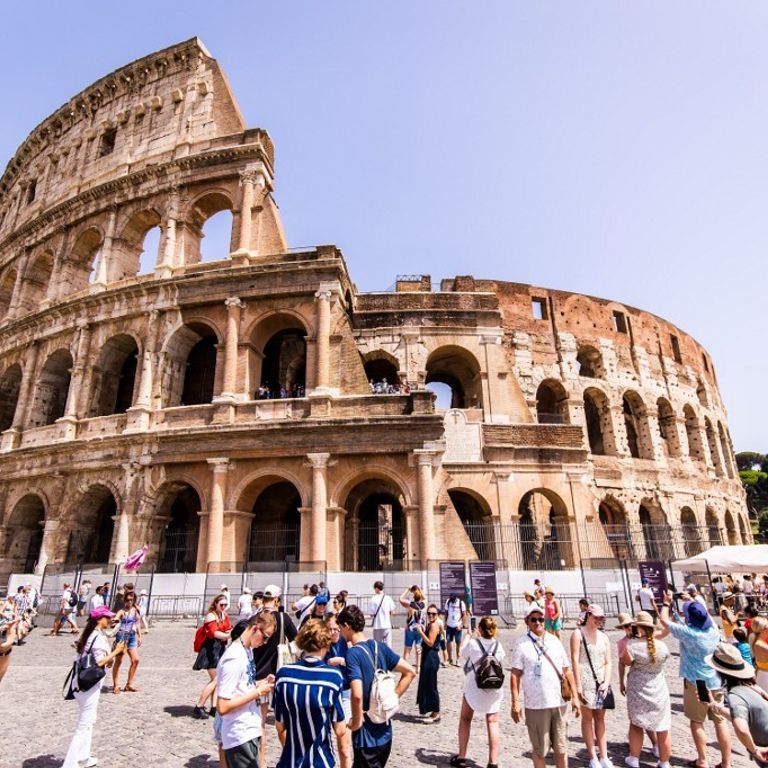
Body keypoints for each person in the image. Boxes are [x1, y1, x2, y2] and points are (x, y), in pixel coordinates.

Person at [658, 595, 732, 768]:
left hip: (697, 682)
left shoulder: (689, 634)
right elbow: (691, 622)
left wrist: (667, 603)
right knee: (720, 722)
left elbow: (663, 620)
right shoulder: (713, 629)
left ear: (690, 618)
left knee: (697, 721)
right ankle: (727, 763)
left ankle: (703, 760)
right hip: (716, 679)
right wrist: (689, 602)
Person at [339, 604, 416, 768]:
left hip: (366, 734)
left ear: (347, 625)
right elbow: (410, 672)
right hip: (386, 731)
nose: (339, 632)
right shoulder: (379, 647)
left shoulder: (353, 653)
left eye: (340, 628)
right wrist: (391, 697)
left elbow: (357, 694)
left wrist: (356, 722)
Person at [274, 619, 351, 768]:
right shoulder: (332, 677)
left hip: (290, 760)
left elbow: (279, 726)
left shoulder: (284, 675)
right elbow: (340, 730)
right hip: (320, 760)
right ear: (326, 643)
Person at [510, 603, 579, 768]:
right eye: (533, 620)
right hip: (536, 704)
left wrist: (575, 697)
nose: (538, 622)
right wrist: (515, 702)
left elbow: (567, 671)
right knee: (540, 750)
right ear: (527, 622)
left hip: (559, 703)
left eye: (541, 619)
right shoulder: (521, 644)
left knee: (561, 749)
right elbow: (515, 675)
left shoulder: (554, 641)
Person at [62, 606, 126, 768]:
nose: (111, 620)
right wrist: (116, 651)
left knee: (90, 720)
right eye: (108, 617)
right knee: (84, 724)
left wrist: (112, 655)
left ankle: (83, 756)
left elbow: (104, 662)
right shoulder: (96, 636)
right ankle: (69, 764)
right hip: (88, 685)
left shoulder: (92, 634)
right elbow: (99, 662)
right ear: (100, 619)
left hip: (86, 683)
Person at [216, 611, 276, 768]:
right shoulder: (234, 657)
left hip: (249, 729)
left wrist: (261, 684)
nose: (265, 642)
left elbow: (242, 688)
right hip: (239, 733)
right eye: (265, 637)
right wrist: (257, 693)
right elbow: (222, 706)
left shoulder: (247, 650)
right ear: (255, 628)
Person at [450, 616, 506, 768]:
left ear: (479, 629)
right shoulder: (499, 646)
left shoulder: (474, 644)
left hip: (474, 687)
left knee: (465, 719)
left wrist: (468, 634)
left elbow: (461, 652)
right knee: (493, 721)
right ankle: (493, 762)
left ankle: (461, 757)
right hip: (493, 687)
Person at [251, 584, 297, 768]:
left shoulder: (256, 617)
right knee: (280, 723)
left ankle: (261, 763)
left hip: (256, 676)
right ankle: (291, 758)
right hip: (275, 677)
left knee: (259, 722)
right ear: (277, 600)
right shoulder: (283, 618)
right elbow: (298, 639)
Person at [621, 611, 672, 768]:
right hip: (658, 686)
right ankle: (664, 762)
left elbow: (627, 662)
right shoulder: (662, 646)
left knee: (636, 723)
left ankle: (634, 758)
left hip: (638, 687)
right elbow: (664, 658)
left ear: (640, 628)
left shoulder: (633, 646)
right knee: (663, 726)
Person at [704, 642, 768, 767]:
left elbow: (742, 729)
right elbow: (741, 715)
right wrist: (716, 707)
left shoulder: (735, 696)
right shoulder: (752, 686)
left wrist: (754, 751)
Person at [569, 604, 613, 768]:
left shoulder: (604, 637)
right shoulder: (577, 634)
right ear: (588, 615)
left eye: (601, 618)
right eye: (596, 618)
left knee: (600, 719)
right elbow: (574, 660)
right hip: (586, 678)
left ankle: (604, 755)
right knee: (587, 719)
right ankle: (593, 757)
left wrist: (607, 682)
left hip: (601, 680)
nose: (599, 621)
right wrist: (578, 685)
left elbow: (608, 662)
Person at [615, 612, 658, 760]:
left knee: (645, 717)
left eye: (630, 626)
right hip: (634, 683)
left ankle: (655, 744)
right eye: (625, 627)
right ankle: (638, 746)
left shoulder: (644, 639)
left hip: (649, 683)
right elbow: (622, 664)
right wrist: (621, 681)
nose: (628, 629)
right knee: (636, 717)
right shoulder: (622, 643)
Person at [193, 593, 232, 719]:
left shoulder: (223, 615)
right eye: (221, 604)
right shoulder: (211, 616)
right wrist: (227, 635)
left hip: (220, 648)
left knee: (218, 679)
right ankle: (199, 706)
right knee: (215, 679)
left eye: (226, 605)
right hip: (210, 649)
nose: (224, 607)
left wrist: (227, 633)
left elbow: (228, 628)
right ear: (215, 604)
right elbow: (213, 633)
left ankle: (214, 707)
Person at [414, 603, 441, 722]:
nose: (430, 615)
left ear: (437, 615)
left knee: (431, 685)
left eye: (433, 614)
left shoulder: (434, 625)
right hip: (428, 656)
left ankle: (436, 712)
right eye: (429, 613)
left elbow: (430, 642)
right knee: (427, 683)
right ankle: (432, 710)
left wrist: (420, 633)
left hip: (431, 657)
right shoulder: (430, 624)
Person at [111, 591, 141, 693]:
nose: (129, 602)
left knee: (135, 660)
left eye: (131, 600)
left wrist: (140, 636)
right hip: (122, 636)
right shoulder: (122, 611)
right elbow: (117, 617)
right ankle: (116, 685)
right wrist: (115, 620)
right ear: (124, 601)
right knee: (119, 661)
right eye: (127, 600)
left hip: (132, 636)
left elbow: (137, 624)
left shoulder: (136, 610)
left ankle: (129, 684)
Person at [399, 586, 426, 672]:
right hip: (420, 629)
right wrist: (419, 589)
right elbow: (425, 597)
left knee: (407, 649)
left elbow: (400, 599)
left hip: (410, 629)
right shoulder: (424, 604)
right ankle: (418, 668)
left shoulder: (410, 604)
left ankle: (405, 666)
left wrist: (407, 590)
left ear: (413, 596)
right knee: (418, 648)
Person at [369, 581, 395, 647]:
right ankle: (388, 657)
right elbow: (393, 612)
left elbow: (371, 614)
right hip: (387, 625)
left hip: (377, 626)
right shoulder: (388, 598)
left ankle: (379, 657)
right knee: (388, 646)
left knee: (377, 646)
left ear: (376, 588)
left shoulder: (373, 599)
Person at [444, 593, 468, 666]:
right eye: (451, 599)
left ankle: (458, 659)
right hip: (449, 625)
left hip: (457, 626)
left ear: (456, 598)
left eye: (453, 600)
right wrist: (445, 622)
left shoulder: (461, 603)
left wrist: (461, 625)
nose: (452, 601)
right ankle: (450, 659)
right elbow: (446, 613)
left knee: (458, 643)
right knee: (448, 641)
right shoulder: (448, 601)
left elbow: (464, 615)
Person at [750, 616, 768, 692]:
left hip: (763, 675)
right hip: (765, 677)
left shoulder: (757, 640)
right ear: (764, 630)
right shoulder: (760, 644)